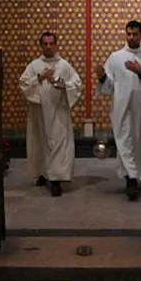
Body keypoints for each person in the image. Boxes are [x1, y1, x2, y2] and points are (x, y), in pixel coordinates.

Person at [97, 20, 141, 199]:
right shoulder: (116, 57)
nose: (131, 37)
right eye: (128, 34)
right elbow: (109, 85)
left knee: (138, 142)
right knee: (124, 142)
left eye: (135, 34)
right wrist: (102, 77)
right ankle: (131, 180)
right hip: (121, 107)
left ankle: (134, 176)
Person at [18, 32, 82, 196]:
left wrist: (62, 83)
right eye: (45, 44)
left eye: (51, 43)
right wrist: (40, 77)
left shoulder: (64, 65)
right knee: (40, 143)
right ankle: (42, 173)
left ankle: (56, 179)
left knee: (59, 143)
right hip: (39, 112)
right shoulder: (34, 65)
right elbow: (23, 84)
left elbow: (76, 84)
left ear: (56, 44)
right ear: (41, 45)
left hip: (58, 112)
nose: (48, 46)